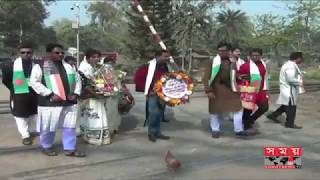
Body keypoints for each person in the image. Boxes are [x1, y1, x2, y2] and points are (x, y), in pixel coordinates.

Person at [30, 43, 85, 157]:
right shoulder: (40, 66)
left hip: (69, 101)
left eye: (62, 53)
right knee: (48, 126)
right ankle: (46, 146)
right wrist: (50, 94)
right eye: (57, 52)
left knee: (69, 126)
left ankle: (69, 148)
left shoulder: (69, 66)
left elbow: (78, 80)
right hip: (50, 102)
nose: (60, 54)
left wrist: (76, 93)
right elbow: (34, 82)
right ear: (49, 53)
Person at [202, 42, 248, 138]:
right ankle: (215, 130)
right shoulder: (212, 61)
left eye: (223, 51)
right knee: (215, 110)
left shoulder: (233, 61)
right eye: (219, 51)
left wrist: (240, 77)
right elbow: (205, 77)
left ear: (229, 51)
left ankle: (238, 130)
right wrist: (208, 90)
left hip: (231, 89)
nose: (221, 52)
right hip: (216, 89)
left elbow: (234, 74)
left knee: (238, 108)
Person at [78, 49, 122, 145]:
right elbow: (86, 84)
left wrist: (109, 88)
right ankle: (92, 137)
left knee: (100, 115)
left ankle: (100, 136)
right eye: (93, 57)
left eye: (98, 57)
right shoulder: (84, 69)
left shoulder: (99, 68)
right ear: (87, 58)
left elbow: (104, 81)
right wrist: (96, 92)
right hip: (90, 96)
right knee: (92, 116)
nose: (96, 59)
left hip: (100, 96)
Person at [1, 44, 38, 145]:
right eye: (23, 52)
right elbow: (6, 80)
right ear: (19, 53)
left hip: (33, 92)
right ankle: (25, 135)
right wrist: (14, 89)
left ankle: (31, 131)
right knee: (20, 115)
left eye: (28, 52)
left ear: (32, 53)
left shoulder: (36, 64)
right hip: (18, 93)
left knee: (33, 113)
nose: (26, 54)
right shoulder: (10, 65)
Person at [134, 50, 172, 142]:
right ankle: (151, 132)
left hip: (162, 94)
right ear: (157, 56)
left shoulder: (164, 67)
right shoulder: (147, 67)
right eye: (165, 56)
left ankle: (157, 132)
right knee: (153, 113)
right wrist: (147, 90)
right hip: (152, 94)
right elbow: (137, 79)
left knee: (159, 114)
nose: (167, 59)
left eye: (168, 57)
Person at [267, 52, 304, 129]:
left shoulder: (289, 65)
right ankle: (290, 123)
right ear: (297, 58)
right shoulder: (291, 66)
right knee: (292, 107)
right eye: (301, 58)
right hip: (289, 90)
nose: (302, 59)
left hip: (287, 89)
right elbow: (291, 79)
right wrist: (300, 82)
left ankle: (273, 115)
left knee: (286, 105)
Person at [238, 48, 269, 133]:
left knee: (264, 107)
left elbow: (266, 77)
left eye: (257, 55)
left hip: (261, 90)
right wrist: (244, 78)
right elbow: (239, 76)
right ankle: (246, 125)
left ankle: (251, 120)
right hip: (250, 90)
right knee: (248, 109)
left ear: (260, 56)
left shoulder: (264, 64)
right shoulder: (246, 65)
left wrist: (266, 88)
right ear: (250, 56)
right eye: (253, 55)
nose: (255, 57)